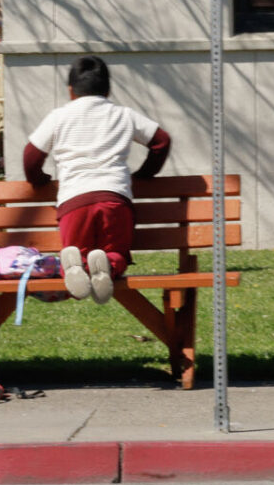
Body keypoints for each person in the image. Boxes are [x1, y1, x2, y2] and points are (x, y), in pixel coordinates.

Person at [22, 55, 171, 303]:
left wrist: (39, 179)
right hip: (115, 198)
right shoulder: (124, 115)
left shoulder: (59, 117)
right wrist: (145, 174)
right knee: (116, 252)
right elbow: (161, 141)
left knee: (76, 252)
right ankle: (109, 267)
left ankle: (73, 265)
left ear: (71, 90)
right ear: (108, 89)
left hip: (74, 200)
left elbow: (31, 155)